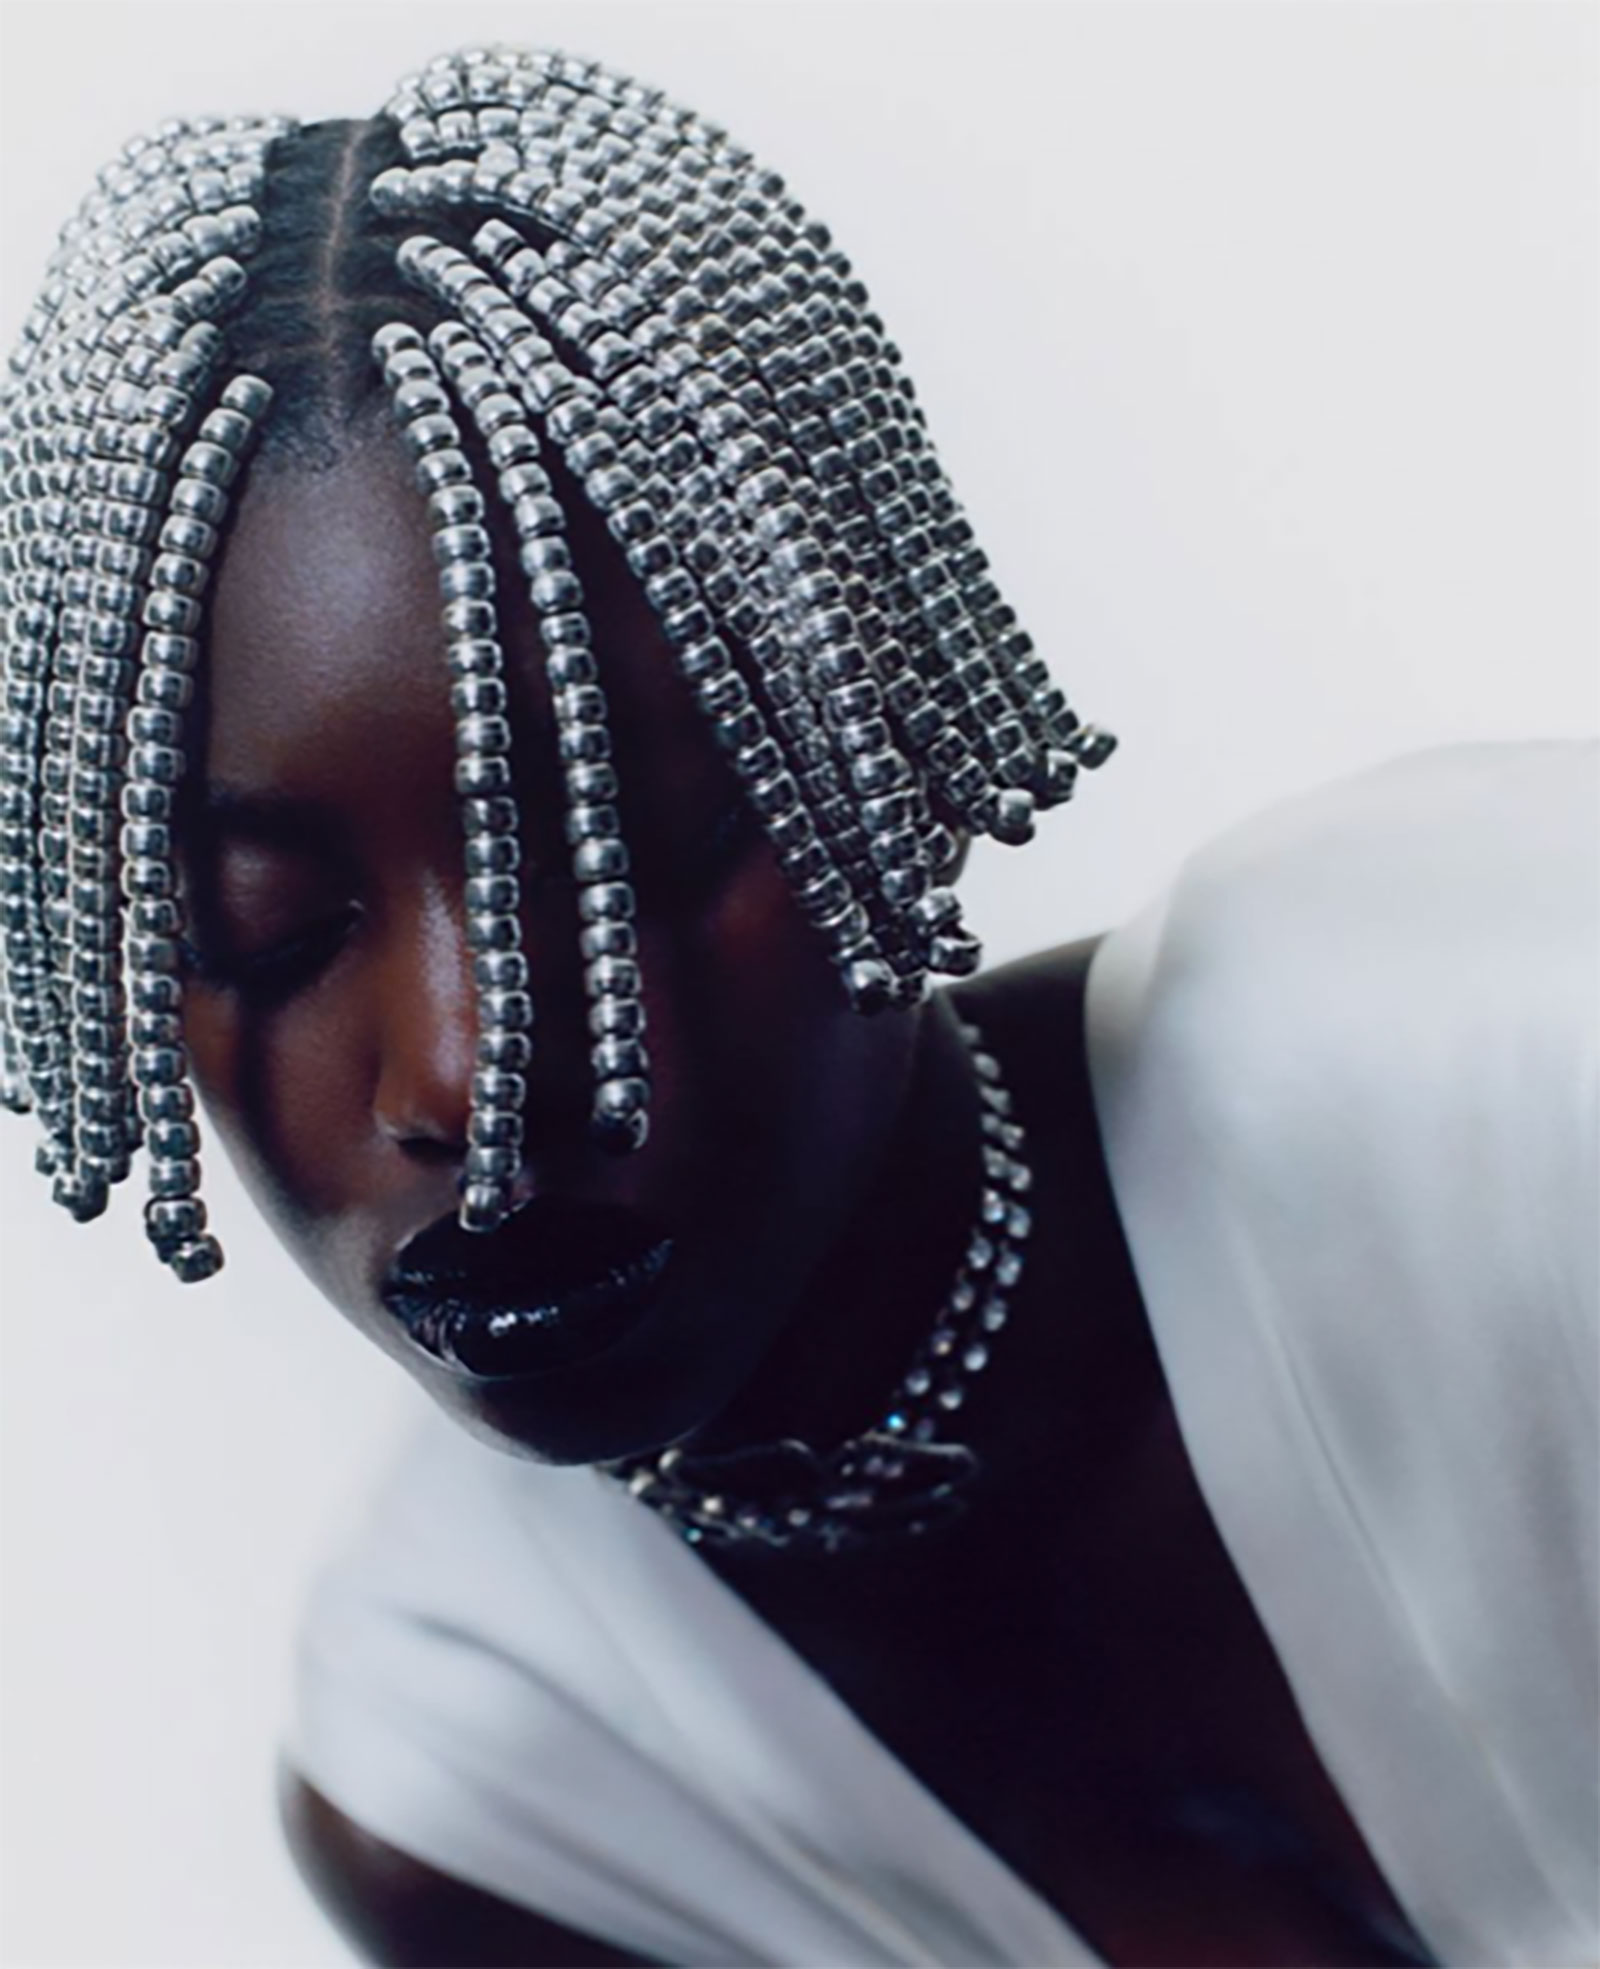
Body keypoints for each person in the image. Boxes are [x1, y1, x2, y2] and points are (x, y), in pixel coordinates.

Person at [2, 42, 1593, 1969]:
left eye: (616, 848)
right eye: (265, 930)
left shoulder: (1505, 1050)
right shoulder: (486, 1780)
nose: (467, 1071)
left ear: (887, 736)